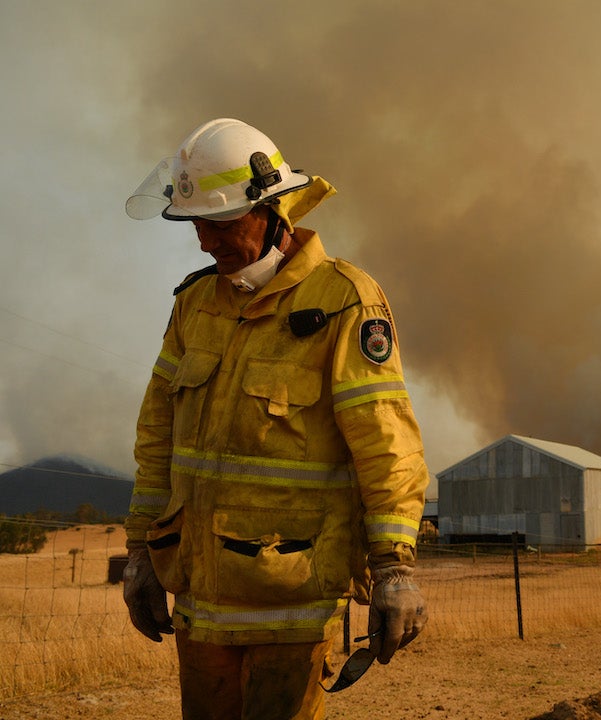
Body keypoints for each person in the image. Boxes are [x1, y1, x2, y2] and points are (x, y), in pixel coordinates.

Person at [121, 118, 429, 719]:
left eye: (220, 223)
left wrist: (394, 567)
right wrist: (139, 553)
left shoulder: (344, 300)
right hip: (200, 601)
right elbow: (157, 439)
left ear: (270, 211)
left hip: (292, 603)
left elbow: (385, 443)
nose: (205, 242)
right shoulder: (194, 304)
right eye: (196, 225)